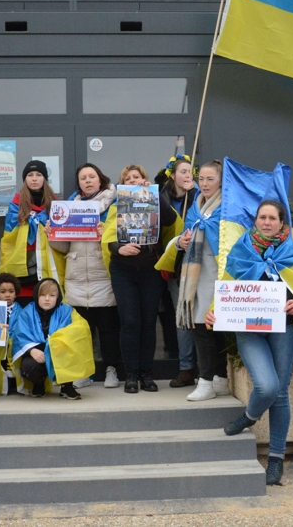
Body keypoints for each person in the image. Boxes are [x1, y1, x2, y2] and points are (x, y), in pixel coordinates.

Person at [211, 199, 293, 486]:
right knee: (267, 385)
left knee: (280, 393)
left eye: (273, 218)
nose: (267, 222)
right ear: (256, 220)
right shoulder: (241, 249)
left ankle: (275, 458)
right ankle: (250, 415)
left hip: (284, 329)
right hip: (249, 330)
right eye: (262, 217)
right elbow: (227, 284)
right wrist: (214, 310)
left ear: (282, 223)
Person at [46, 163, 120, 390]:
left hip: (102, 276)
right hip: (76, 277)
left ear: (100, 179)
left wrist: (106, 233)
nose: (88, 181)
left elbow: (122, 238)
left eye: (91, 176)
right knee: (81, 330)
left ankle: (111, 369)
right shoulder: (69, 208)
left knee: (108, 330)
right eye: (83, 178)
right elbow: (63, 247)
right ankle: (84, 373)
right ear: (78, 184)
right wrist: (52, 235)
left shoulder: (115, 203)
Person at [106, 164, 176, 393]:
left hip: (150, 269)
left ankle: (147, 373)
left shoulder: (154, 199)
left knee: (148, 322)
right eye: (128, 179)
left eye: (137, 177)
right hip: (123, 270)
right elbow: (108, 238)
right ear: (122, 185)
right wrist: (119, 249)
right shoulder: (116, 205)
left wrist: (154, 194)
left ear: (144, 179)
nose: (133, 180)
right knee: (129, 322)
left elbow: (169, 220)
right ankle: (131, 375)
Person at [174, 160, 230, 402]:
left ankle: (210, 380)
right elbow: (185, 233)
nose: (205, 184)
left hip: (218, 273)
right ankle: (214, 378)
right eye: (202, 179)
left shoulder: (228, 207)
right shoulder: (195, 205)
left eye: (210, 179)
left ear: (221, 181)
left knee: (212, 327)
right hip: (196, 274)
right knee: (202, 326)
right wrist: (181, 241)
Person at [9, 277, 95, 400]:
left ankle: (67, 386)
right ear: (36, 295)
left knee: (70, 353)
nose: (47, 299)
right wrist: (31, 350)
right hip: (38, 353)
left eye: (52, 295)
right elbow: (20, 336)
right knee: (29, 366)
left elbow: (79, 330)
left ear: (58, 297)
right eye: (43, 295)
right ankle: (38, 384)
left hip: (61, 352)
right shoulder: (27, 312)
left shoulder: (67, 312)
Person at [156, 156, 199, 388]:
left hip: (200, 266)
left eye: (190, 171)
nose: (187, 175)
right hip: (175, 267)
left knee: (202, 318)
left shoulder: (200, 197)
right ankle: (186, 368)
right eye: (183, 171)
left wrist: (194, 194)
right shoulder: (162, 197)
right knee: (182, 319)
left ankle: (208, 369)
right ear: (172, 175)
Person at [0, 160, 61, 306]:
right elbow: (9, 238)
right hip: (24, 267)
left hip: (48, 265)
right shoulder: (16, 205)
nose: (34, 179)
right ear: (25, 179)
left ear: (45, 178)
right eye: (30, 175)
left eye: (39, 175)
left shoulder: (56, 204)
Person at [0, 272, 23, 395]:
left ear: (16, 293)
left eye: (11, 291)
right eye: (3, 292)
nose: (7, 295)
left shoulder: (22, 312)